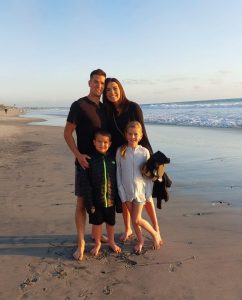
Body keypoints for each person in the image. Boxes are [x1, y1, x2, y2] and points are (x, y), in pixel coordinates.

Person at [102, 77, 162, 243]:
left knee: (147, 197)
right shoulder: (107, 111)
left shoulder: (133, 107)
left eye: (114, 88)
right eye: (107, 90)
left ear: (120, 88)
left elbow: (143, 134)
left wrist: (151, 160)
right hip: (120, 154)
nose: (111, 92)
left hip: (139, 155)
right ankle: (128, 228)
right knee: (126, 194)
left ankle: (156, 229)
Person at [64, 69, 107, 261]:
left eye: (102, 83)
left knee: (100, 200)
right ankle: (81, 242)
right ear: (89, 83)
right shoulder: (79, 105)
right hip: (84, 163)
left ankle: (96, 234)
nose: (99, 86)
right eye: (96, 82)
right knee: (81, 203)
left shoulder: (105, 108)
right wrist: (78, 155)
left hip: (102, 164)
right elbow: (67, 133)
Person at [116, 121, 161, 254]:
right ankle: (140, 240)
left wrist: (148, 194)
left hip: (140, 193)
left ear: (141, 136)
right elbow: (118, 173)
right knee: (134, 221)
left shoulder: (144, 152)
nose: (132, 137)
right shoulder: (121, 151)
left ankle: (155, 233)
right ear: (126, 135)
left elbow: (148, 176)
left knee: (136, 219)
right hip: (126, 192)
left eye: (136, 134)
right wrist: (121, 193)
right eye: (130, 134)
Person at [79, 130, 122, 256]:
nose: (102, 144)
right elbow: (86, 184)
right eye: (99, 141)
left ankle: (111, 242)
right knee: (97, 224)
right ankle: (97, 243)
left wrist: (118, 200)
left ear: (110, 143)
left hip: (111, 199)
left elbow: (118, 180)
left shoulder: (113, 159)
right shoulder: (90, 160)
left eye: (105, 142)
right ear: (94, 142)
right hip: (95, 201)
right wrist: (89, 203)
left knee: (111, 223)